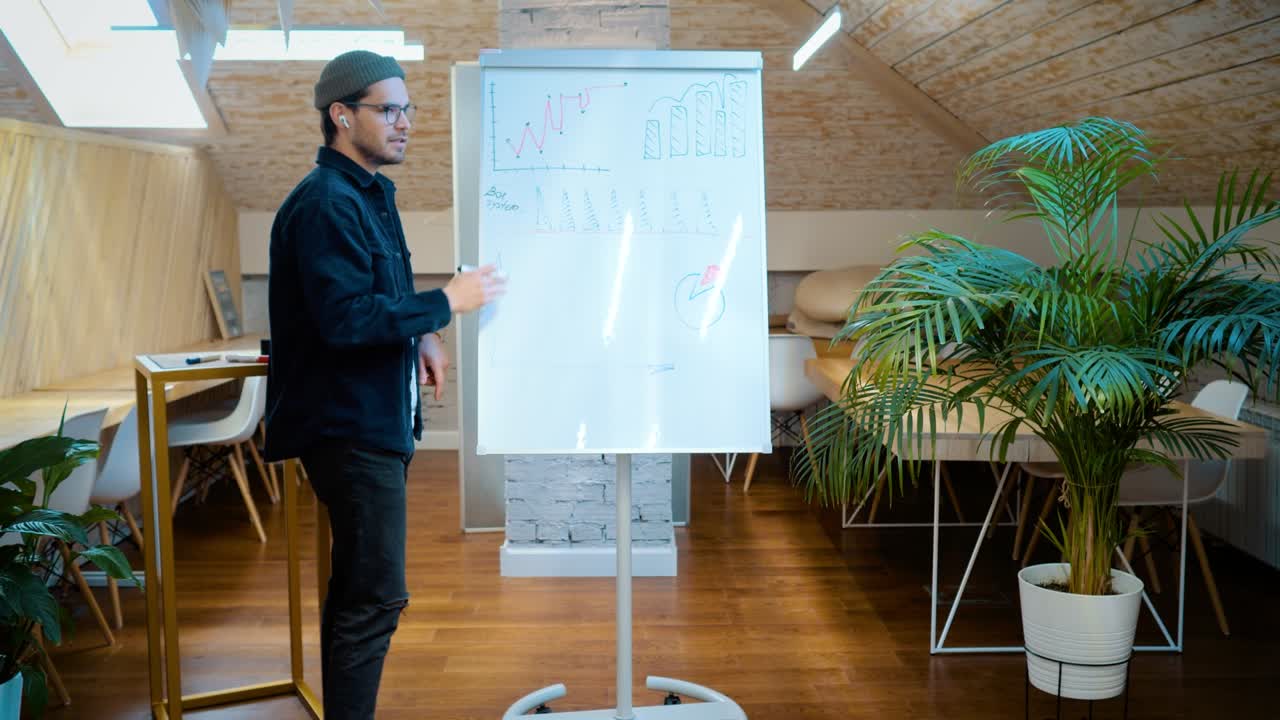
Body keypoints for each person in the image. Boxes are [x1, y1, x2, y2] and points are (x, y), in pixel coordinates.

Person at [264, 50, 504, 719]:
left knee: (358, 594)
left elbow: (379, 291)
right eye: (388, 110)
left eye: (408, 110)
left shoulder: (369, 193)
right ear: (342, 116)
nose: (404, 124)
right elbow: (343, 320)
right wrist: (445, 304)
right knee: (375, 598)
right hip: (347, 429)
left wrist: (421, 334)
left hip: (375, 422)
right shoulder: (323, 206)